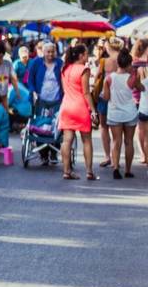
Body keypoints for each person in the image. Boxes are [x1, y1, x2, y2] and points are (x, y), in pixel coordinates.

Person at [59, 44, 96, 180]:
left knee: (67, 140)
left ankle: (66, 171)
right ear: (81, 56)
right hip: (80, 107)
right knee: (87, 140)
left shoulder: (65, 68)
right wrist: (93, 111)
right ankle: (89, 172)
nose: (87, 57)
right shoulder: (84, 69)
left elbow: (64, 89)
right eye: (86, 54)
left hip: (66, 106)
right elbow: (86, 93)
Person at [103, 49, 137, 178]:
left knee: (116, 141)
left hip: (115, 114)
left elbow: (106, 97)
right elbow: (139, 88)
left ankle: (116, 168)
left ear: (117, 63)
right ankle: (128, 170)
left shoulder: (109, 78)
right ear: (129, 64)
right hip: (130, 113)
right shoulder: (132, 78)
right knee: (129, 142)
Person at [27, 41, 63, 106]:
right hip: (41, 99)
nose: (51, 54)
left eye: (52, 51)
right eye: (48, 52)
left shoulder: (59, 62)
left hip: (56, 100)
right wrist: (33, 91)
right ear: (43, 52)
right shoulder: (36, 62)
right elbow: (30, 79)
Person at [132, 38, 148, 164]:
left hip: (137, 101)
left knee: (140, 130)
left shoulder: (134, 63)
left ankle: (143, 155)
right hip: (141, 101)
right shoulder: (143, 64)